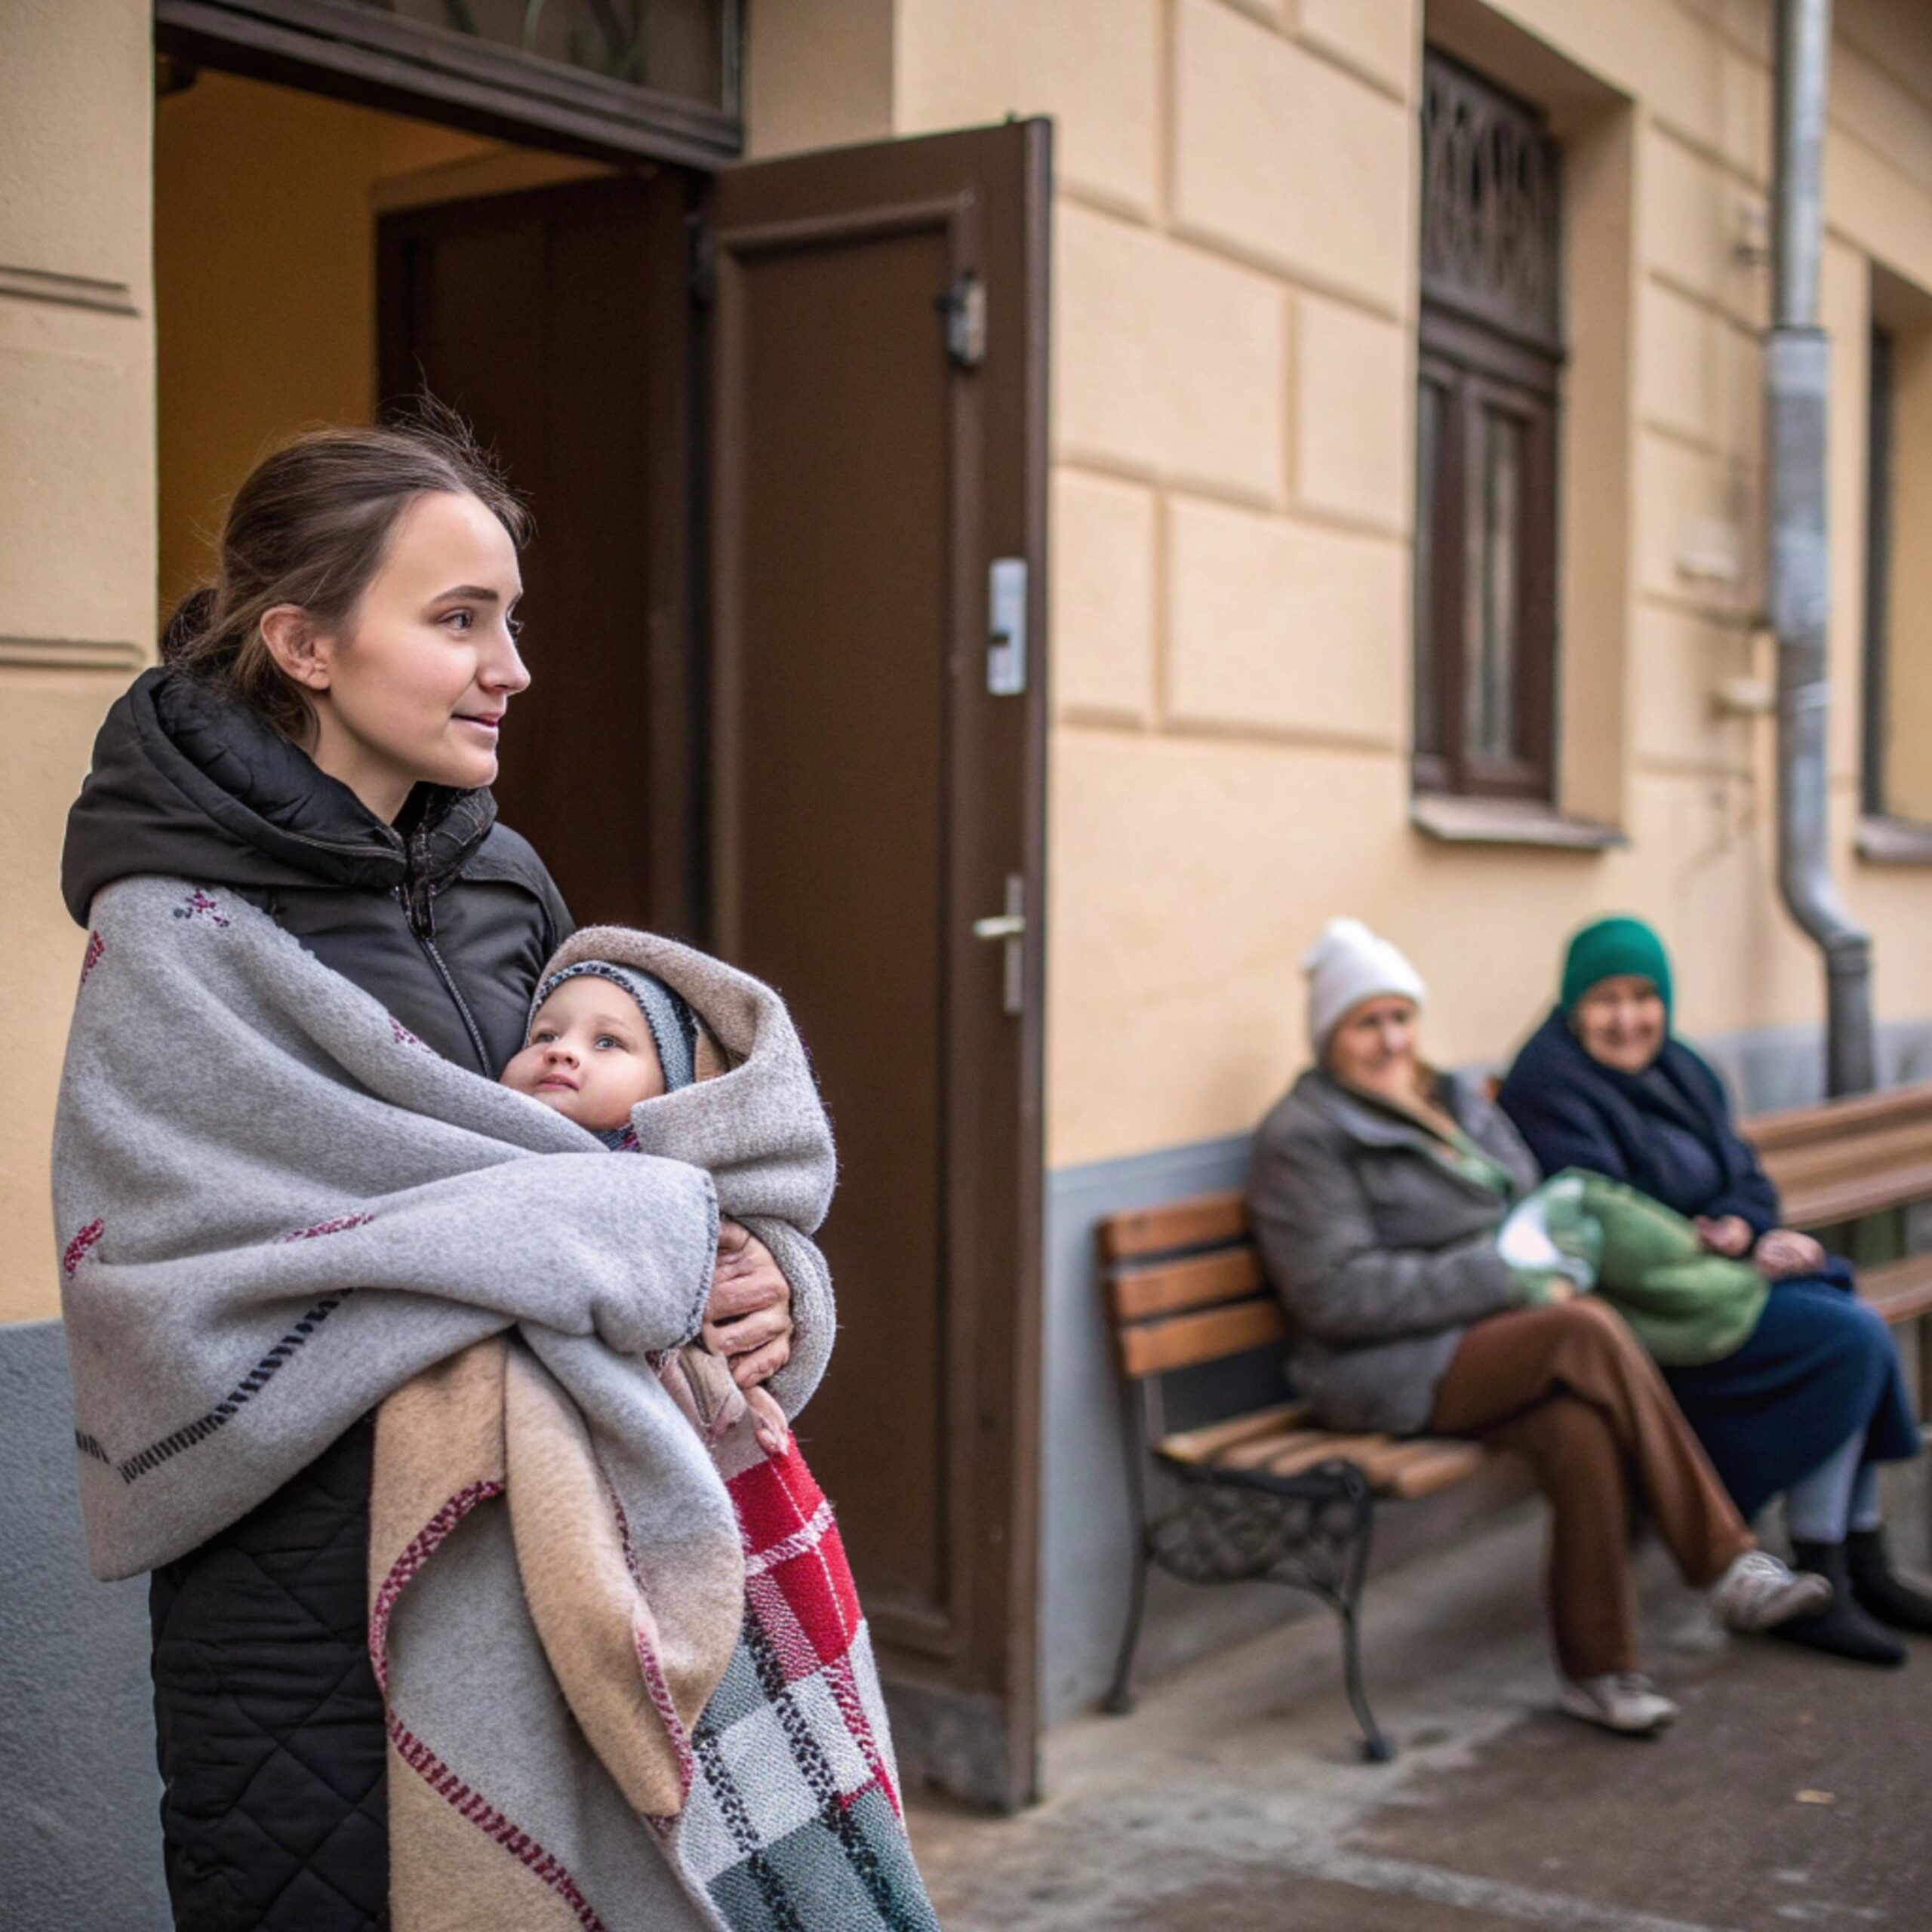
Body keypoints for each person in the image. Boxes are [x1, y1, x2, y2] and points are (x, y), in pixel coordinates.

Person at [56, 417, 798, 1930]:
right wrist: (577, 1244)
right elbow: (162, 1273)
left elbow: (612, 1160)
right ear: (305, 642)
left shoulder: (501, 881)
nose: (510, 664)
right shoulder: (172, 934)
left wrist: (757, 1273)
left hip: (544, 1555)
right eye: (459, 619)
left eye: (510, 620)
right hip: (298, 1594)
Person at [1246, 918, 1829, 1737]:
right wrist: (1502, 1272)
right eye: (1364, 1023)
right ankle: (1726, 1561)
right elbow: (1333, 1297)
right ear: (1328, 1036)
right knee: (1581, 1330)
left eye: (1399, 1017)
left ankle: (1599, 1671)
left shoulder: (1450, 1099)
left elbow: (1523, 1195)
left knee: (1579, 1424)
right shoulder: (1304, 1137)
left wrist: (1540, 1245)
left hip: (1491, 1340)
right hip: (1379, 1367)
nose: (1388, 1040)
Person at [1498, 915, 1932, 1666]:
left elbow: (1745, 1178)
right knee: (1848, 1338)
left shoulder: (1683, 1069)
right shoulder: (1549, 1087)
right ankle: (1818, 1573)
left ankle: (1863, 1563)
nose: (1628, 1018)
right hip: (1645, 1312)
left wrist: (1742, 1225)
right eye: (1605, 1000)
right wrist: (1712, 1245)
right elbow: (1605, 1222)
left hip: (1712, 1282)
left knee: (1848, 1315)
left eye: (1643, 997)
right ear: (1573, 1005)